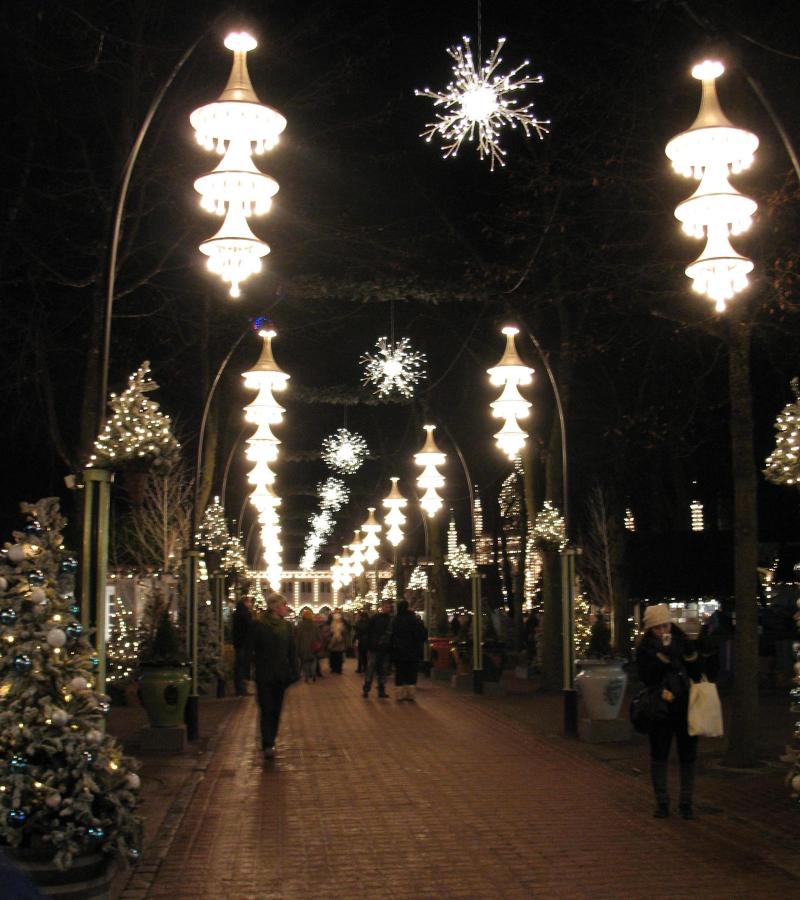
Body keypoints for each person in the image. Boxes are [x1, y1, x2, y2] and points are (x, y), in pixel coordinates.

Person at [636, 602, 704, 819]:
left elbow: (696, 672)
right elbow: (646, 676)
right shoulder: (645, 648)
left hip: (684, 705)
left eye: (665, 626)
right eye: (657, 628)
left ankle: (686, 802)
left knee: (688, 755)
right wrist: (662, 660)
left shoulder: (683, 642)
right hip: (659, 707)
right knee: (659, 754)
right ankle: (662, 802)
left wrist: (690, 654)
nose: (662, 631)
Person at [252, 593, 299, 759]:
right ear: (276, 607)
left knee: (276, 709)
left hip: (280, 674)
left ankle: (271, 739)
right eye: (284, 605)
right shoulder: (259, 625)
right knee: (266, 708)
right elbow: (252, 649)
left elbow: (292, 651)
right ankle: (267, 743)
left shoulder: (287, 627)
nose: (286, 608)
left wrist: (295, 670)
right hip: (264, 674)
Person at [391, 599, 427, 702]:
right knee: (411, 672)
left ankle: (400, 694)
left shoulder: (395, 620)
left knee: (399, 672)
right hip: (413, 651)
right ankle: (410, 694)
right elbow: (421, 635)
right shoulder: (414, 619)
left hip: (398, 651)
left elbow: (392, 636)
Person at [362, 598, 393, 699]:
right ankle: (366, 689)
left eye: (389, 607)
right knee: (371, 669)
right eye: (386, 607)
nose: (387, 609)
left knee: (382, 670)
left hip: (385, 649)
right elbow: (367, 631)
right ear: (382, 607)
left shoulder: (390, 619)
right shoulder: (375, 618)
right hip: (375, 648)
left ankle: (381, 690)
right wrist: (370, 643)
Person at [231, 594, 254, 696]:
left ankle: (239, 688)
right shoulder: (245, 613)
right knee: (242, 666)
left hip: (238, 642)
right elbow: (249, 628)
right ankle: (241, 689)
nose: (251, 604)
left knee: (239, 666)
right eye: (249, 602)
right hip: (244, 643)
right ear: (245, 603)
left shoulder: (237, 612)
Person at [295, 607, 321, 683]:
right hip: (313, 647)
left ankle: (306, 676)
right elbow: (319, 637)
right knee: (313, 661)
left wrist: (297, 647)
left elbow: (298, 637)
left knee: (305, 662)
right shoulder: (314, 625)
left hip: (303, 647)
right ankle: (313, 673)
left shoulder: (300, 625)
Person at [327, 609, 349, 674]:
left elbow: (345, 634)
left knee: (338, 657)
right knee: (334, 656)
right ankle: (334, 668)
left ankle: (338, 669)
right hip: (334, 644)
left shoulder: (341, 626)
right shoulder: (332, 626)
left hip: (339, 644)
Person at [354, 608, 370, 674]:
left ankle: (360, 668)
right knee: (365, 655)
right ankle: (365, 668)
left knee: (361, 655)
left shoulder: (359, 622)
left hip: (361, 640)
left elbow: (358, 631)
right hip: (367, 640)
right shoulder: (369, 621)